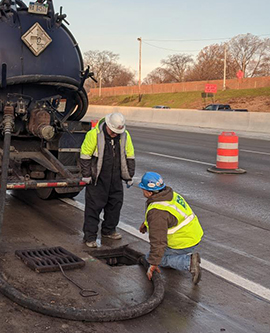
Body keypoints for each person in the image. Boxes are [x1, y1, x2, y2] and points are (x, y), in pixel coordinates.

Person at [79, 113, 135, 248]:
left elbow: (130, 155)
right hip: (98, 178)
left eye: (118, 132)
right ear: (108, 125)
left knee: (115, 205)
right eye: (113, 131)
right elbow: (85, 155)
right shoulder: (94, 134)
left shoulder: (125, 135)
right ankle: (90, 236)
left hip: (115, 178)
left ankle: (109, 230)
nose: (115, 134)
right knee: (94, 208)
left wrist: (129, 176)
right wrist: (87, 175)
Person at [138, 171, 203, 285]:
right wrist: (146, 223)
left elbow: (158, 241)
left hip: (183, 241)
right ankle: (174, 259)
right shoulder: (169, 195)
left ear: (148, 192)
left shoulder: (157, 212)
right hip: (193, 234)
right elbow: (166, 219)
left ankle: (188, 263)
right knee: (159, 256)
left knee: (153, 257)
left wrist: (153, 264)